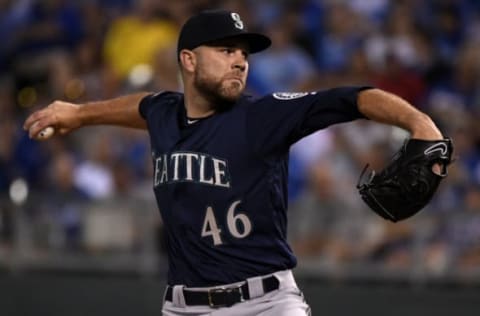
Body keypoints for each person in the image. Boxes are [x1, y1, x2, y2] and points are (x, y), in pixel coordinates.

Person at [24, 9, 446, 316]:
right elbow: (141, 107)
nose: (241, 60)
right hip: (183, 306)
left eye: (243, 53)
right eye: (226, 50)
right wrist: (79, 113)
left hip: (265, 303)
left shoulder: (262, 117)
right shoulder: (164, 113)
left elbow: (351, 98)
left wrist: (419, 121)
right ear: (188, 60)